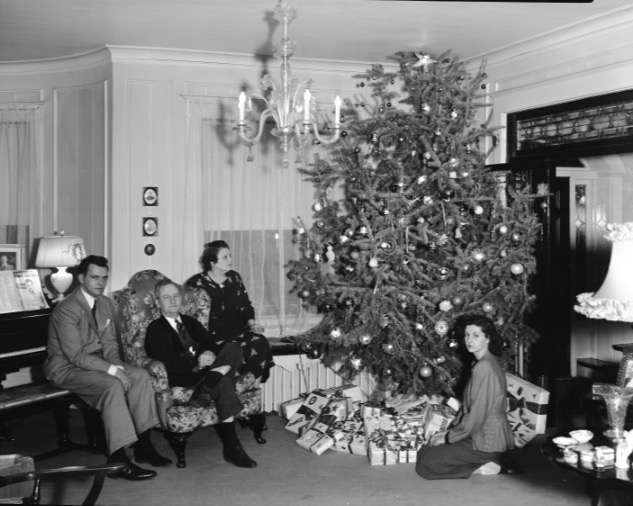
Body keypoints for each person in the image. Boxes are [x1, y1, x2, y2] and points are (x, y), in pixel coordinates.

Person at [44, 255, 171, 481]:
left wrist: (118, 365)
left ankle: (144, 446)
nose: (100, 283)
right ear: (81, 278)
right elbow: (75, 355)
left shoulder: (105, 303)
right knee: (112, 385)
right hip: (66, 369)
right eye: (94, 277)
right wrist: (113, 372)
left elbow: (110, 344)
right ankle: (118, 460)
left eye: (104, 278)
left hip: (96, 364)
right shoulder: (67, 309)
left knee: (141, 375)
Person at [145, 279, 257, 468]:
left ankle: (209, 384)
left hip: (207, 374)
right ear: (158, 303)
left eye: (175, 296)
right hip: (185, 377)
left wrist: (209, 352)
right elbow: (166, 362)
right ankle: (233, 447)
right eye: (166, 297)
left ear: (181, 299)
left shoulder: (190, 321)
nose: (172, 301)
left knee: (233, 347)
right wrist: (197, 361)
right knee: (224, 383)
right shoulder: (155, 329)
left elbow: (210, 343)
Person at [415, 314, 516, 479]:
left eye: (476, 335)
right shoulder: (482, 362)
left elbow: (476, 415)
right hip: (477, 432)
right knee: (427, 449)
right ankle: (488, 461)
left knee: (426, 465)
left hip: (487, 441)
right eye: (467, 335)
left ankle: (492, 466)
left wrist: (448, 437)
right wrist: (449, 434)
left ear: (488, 338)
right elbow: (470, 408)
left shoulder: (485, 367)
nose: (470, 340)